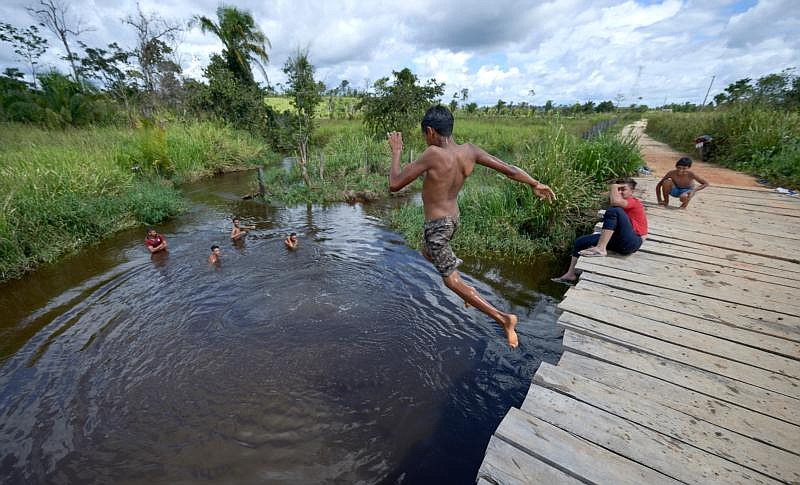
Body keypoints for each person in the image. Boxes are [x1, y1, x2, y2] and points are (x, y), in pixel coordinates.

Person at [388, 105, 556, 348]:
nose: (426, 140)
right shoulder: (470, 151)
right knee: (427, 251)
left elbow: (394, 184)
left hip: (438, 227)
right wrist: (534, 183)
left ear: (431, 132)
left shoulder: (433, 154)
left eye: (425, 135)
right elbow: (509, 170)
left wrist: (396, 151)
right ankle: (466, 293)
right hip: (454, 221)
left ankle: (504, 319)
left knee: (450, 280)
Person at [552, 178, 648, 285]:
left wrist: (614, 186)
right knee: (580, 242)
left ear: (632, 192)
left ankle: (601, 248)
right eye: (618, 189)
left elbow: (615, 203)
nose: (619, 192)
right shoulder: (621, 202)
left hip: (632, 242)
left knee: (614, 210)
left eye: (623, 189)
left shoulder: (633, 202)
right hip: (619, 240)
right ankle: (571, 274)